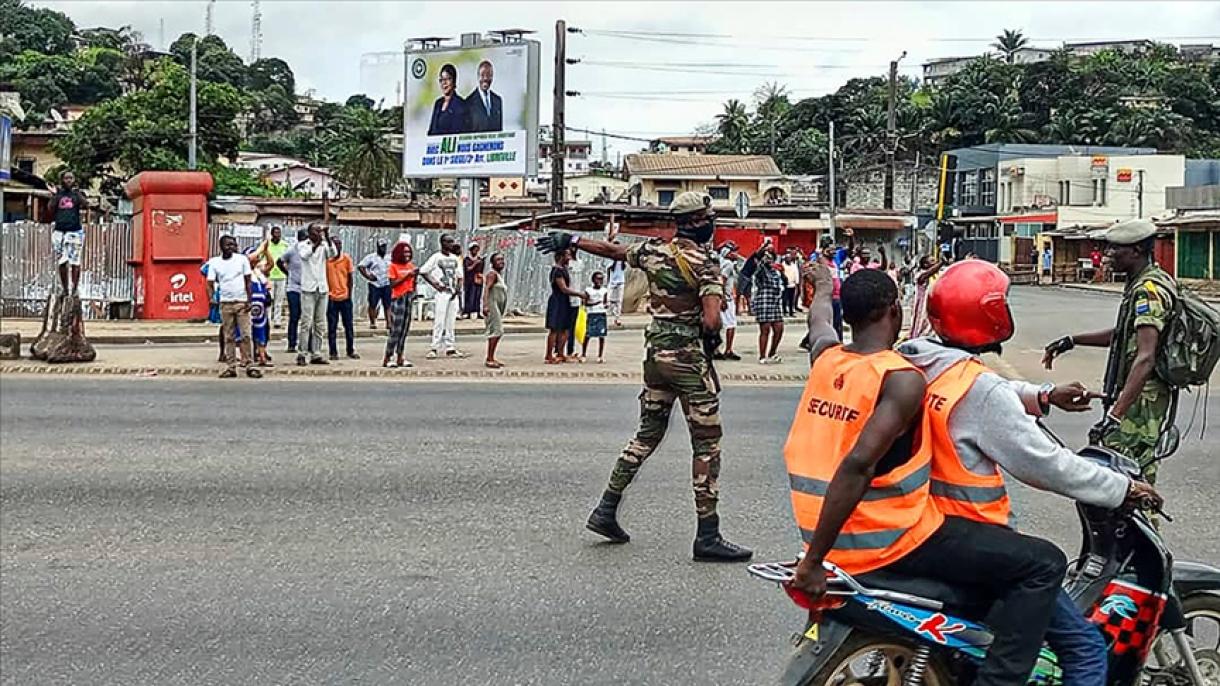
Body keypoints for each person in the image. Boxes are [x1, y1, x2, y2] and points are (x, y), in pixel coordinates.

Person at [788, 265, 1067, 686]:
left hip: (823, 532)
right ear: (895, 312)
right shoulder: (900, 379)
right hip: (890, 538)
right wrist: (811, 565)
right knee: (1045, 563)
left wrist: (824, 286)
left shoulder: (827, 359)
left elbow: (819, 319)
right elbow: (858, 466)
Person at [901, 259, 1162, 686]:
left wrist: (1042, 396)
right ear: (990, 314)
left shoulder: (917, 359)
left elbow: (985, 395)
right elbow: (1046, 464)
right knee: (1085, 647)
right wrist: (1121, 489)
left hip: (919, 523)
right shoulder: (978, 390)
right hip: (972, 537)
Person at [536, 190, 752, 562]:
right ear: (700, 222)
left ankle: (606, 509)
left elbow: (616, 251)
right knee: (707, 443)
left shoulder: (655, 252)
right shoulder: (705, 263)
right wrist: (709, 334)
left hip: (656, 356)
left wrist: (572, 239)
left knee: (647, 434)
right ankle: (708, 535)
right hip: (687, 360)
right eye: (709, 217)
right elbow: (712, 319)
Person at [1043, 219, 1178, 483]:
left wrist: (1116, 414)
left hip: (1140, 405)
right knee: (1125, 481)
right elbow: (1124, 335)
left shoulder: (1148, 291)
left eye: (1115, 249)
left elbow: (1146, 356)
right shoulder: (1141, 283)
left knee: (1128, 482)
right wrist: (1072, 340)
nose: (1107, 255)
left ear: (1136, 250)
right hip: (1135, 400)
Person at [205, 235, 262, 379]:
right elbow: (209, 283)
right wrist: (212, 298)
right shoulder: (215, 263)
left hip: (241, 302)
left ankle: (250, 365)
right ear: (221, 246)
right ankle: (231, 366)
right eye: (228, 245)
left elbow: (248, 280)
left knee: (246, 335)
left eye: (233, 244)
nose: (231, 247)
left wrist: (249, 299)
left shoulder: (242, 260)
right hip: (225, 303)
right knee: (229, 336)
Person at [295, 223, 336, 366]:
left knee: (320, 323)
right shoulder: (303, 245)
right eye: (316, 231)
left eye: (320, 231)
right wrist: (318, 242)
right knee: (306, 322)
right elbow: (305, 256)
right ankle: (302, 353)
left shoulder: (324, 244)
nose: (319, 233)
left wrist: (328, 238)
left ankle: (316, 353)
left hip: (322, 288)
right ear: (309, 232)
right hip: (308, 289)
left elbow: (333, 254)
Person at [420, 234, 465, 359]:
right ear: (442, 243)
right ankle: (434, 347)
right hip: (442, 293)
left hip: (452, 293)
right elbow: (423, 271)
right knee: (439, 320)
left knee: (451, 321)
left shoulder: (455, 259)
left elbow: (460, 275)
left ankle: (450, 347)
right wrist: (435, 284)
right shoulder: (436, 257)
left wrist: (458, 288)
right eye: (448, 242)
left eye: (452, 242)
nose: (451, 244)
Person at [45, 171, 88, 293]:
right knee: (62, 262)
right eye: (66, 178)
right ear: (62, 180)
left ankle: (74, 290)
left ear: (74, 180)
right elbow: (50, 208)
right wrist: (54, 194)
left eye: (71, 178)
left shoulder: (77, 194)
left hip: (75, 231)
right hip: (59, 232)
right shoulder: (58, 195)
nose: (69, 180)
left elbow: (86, 205)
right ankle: (65, 289)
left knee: (75, 261)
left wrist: (78, 193)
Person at [544, 248, 584, 364]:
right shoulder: (557, 271)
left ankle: (561, 353)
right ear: (561, 257)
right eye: (567, 255)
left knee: (565, 329)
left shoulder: (564, 269)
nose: (569, 257)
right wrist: (579, 294)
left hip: (565, 301)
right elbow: (564, 289)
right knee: (555, 329)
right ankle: (549, 355)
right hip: (558, 301)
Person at [382, 242, 418, 368]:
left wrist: (414, 291)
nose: (407, 255)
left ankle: (400, 356)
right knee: (395, 330)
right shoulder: (393, 266)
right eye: (405, 252)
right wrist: (407, 275)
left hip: (408, 297)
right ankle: (388, 357)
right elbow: (392, 284)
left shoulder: (410, 265)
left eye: (409, 252)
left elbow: (414, 281)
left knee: (404, 329)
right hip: (398, 298)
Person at [325, 237, 359, 361]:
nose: (338, 247)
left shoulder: (346, 259)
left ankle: (350, 349)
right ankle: (333, 351)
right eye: (335, 244)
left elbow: (350, 278)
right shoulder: (326, 261)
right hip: (331, 297)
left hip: (345, 297)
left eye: (339, 244)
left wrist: (349, 295)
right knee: (332, 326)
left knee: (348, 326)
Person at [276, 229, 308, 353]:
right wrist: (288, 273)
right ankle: (291, 343)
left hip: (307, 288)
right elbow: (279, 261)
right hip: (293, 288)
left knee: (307, 318)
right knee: (294, 316)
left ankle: (305, 344)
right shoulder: (292, 251)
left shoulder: (310, 251)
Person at [752, 246, 785, 364]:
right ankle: (762, 355)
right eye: (767, 257)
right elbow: (760, 265)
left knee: (779, 328)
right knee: (765, 329)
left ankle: (772, 351)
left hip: (775, 301)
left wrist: (782, 272)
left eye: (771, 257)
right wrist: (763, 250)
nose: (769, 260)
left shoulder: (775, 271)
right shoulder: (761, 270)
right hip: (764, 301)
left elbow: (783, 283)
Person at [716, 242, 742, 361]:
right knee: (731, 324)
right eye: (733, 251)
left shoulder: (720, 262)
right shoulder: (728, 264)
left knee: (718, 325)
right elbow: (723, 280)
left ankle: (716, 349)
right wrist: (724, 298)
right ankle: (728, 349)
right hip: (726, 297)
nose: (736, 253)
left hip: (720, 296)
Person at [248, 246, 273, 368]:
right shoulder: (245, 270)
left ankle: (262, 356)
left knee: (262, 330)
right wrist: (262, 247)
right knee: (248, 331)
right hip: (249, 306)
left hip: (261, 307)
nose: (257, 259)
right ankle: (249, 356)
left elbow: (271, 264)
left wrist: (266, 251)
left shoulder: (259, 273)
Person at [906, 254, 942, 340]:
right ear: (925, 265)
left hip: (933, 305)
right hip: (922, 306)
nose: (935, 262)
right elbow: (927, 275)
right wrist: (941, 263)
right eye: (932, 261)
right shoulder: (920, 274)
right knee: (920, 325)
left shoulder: (937, 275)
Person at [482, 252, 508, 369]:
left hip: (497, 306)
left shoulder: (499, 275)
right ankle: (489, 358)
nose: (501, 262)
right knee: (497, 331)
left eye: (502, 259)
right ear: (492, 263)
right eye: (498, 260)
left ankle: (491, 357)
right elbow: (486, 289)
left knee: (496, 331)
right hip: (492, 305)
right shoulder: (492, 274)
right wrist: (485, 305)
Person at [427, 64, 469, 136]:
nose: (444, 83)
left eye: (447, 79)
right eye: (441, 80)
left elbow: (458, 133)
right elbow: (431, 130)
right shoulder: (438, 103)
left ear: (454, 81)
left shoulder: (460, 104)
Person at [359, 239, 392, 329]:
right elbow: (361, 266)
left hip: (386, 283)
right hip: (375, 284)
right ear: (377, 247)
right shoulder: (371, 257)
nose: (383, 248)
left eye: (384, 246)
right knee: (373, 303)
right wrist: (368, 276)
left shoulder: (389, 257)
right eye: (381, 247)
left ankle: (389, 323)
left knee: (388, 304)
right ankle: (372, 322)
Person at [464, 60, 503, 133]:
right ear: (478, 76)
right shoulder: (468, 102)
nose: (485, 78)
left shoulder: (498, 100)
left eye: (488, 75)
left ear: (492, 77)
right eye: (482, 75)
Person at [263, 226, 290, 327]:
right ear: (271, 234)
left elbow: (288, 260)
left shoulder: (285, 245)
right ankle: (268, 320)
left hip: (281, 276)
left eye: (279, 233)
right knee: (269, 299)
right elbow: (262, 258)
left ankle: (277, 320)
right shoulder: (267, 245)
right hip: (269, 276)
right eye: (275, 233)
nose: (277, 235)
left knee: (279, 299)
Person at [581, 271, 609, 363]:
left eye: (601, 279)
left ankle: (600, 355)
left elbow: (605, 302)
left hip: (601, 313)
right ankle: (583, 354)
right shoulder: (588, 290)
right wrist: (595, 303)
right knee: (588, 334)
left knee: (601, 335)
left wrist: (606, 305)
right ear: (593, 280)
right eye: (598, 279)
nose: (600, 281)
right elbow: (585, 303)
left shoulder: (604, 290)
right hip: (592, 313)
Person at [462, 243, 485, 319]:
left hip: (477, 280)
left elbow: (481, 270)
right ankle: (467, 312)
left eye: (477, 249)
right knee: (469, 296)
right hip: (469, 281)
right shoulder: (466, 260)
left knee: (477, 296)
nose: (476, 251)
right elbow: (467, 269)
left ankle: (477, 312)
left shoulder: (480, 259)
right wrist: (475, 263)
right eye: (474, 249)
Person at [607, 257, 627, 327]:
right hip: (612, 281)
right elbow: (608, 269)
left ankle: (617, 318)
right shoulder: (611, 259)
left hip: (621, 281)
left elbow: (624, 267)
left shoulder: (622, 261)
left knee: (619, 301)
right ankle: (611, 311)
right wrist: (608, 280)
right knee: (608, 299)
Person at [781, 249, 801, 317]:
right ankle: (784, 311)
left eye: (789, 258)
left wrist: (797, 282)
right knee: (784, 299)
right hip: (785, 285)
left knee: (791, 299)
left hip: (792, 284)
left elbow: (796, 274)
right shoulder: (783, 265)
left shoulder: (793, 265)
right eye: (787, 258)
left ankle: (791, 312)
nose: (789, 259)